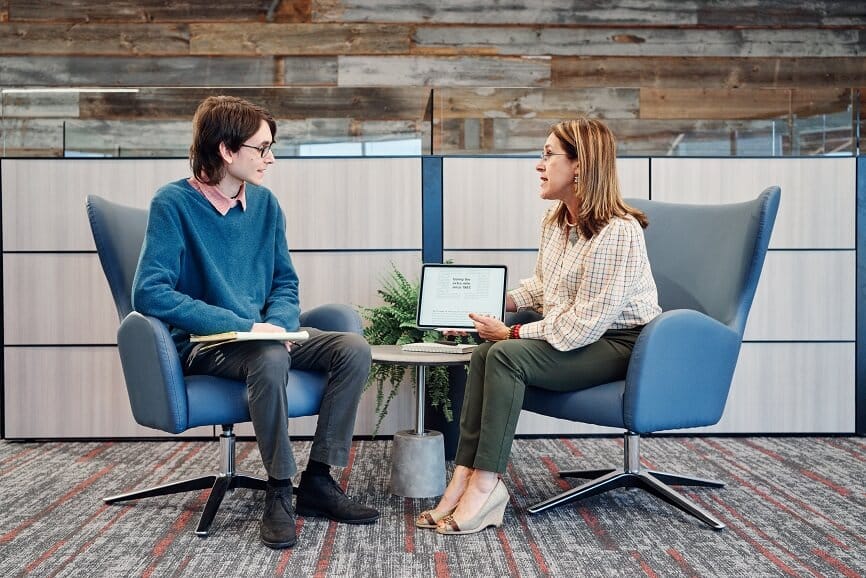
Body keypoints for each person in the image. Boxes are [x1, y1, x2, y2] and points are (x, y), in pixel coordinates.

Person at [132, 95, 379, 549]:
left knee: (352, 348)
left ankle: (319, 481)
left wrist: (280, 327)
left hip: (265, 336)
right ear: (227, 150)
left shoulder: (266, 205)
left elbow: (285, 282)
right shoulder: (173, 203)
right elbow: (149, 291)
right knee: (266, 357)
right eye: (262, 148)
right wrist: (242, 326)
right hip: (208, 343)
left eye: (272, 147)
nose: (271, 158)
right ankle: (280, 489)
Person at [417, 118, 662, 535]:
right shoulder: (557, 220)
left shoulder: (619, 233)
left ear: (581, 165)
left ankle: (487, 485)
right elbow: (545, 286)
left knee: (506, 356)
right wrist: (489, 306)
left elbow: (581, 326)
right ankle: (462, 478)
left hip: (620, 344)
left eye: (548, 154)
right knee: (483, 352)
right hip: (581, 334)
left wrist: (511, 332)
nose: (539, 164)